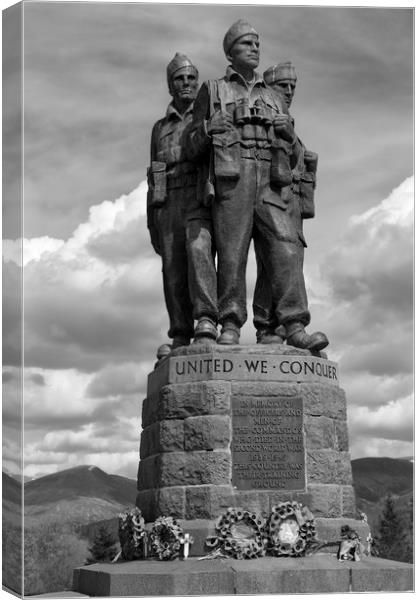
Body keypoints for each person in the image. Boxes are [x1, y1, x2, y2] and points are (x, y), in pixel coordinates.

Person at [187, 20, 328, 350]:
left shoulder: (274, 96)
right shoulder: (214, 89)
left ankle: (293, 324)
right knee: (232, 254)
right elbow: (191, 146)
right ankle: (230, 323)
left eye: (257, 43)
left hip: (269, 177)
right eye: (246, 44)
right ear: (230, 52)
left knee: (286, 246)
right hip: (232, 177)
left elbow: (295, 154)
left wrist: (289, 134)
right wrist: (209, 127)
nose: (254, 48)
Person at [252, 62, 328, 351]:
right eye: (283, 85)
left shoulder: (288, 120)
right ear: (268, 87)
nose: (289, 90)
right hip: (267, 193)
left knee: (276, 263)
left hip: (290, 199)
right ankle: (292, 323)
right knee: (284, 253)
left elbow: (295, 158)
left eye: (293, 86)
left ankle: (270, 327)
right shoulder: (266, 113)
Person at [147, 54, 217, 358]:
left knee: (199, 251)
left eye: (191, 77)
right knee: (173, 269)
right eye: (180, 78)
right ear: (170, 85)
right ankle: (180, 333)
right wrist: (152, 219)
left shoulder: (205, 114)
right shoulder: (159, 127)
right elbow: (153, 172)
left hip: (197, 194)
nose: (186, 83)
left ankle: (206, 320)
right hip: (168, 201)